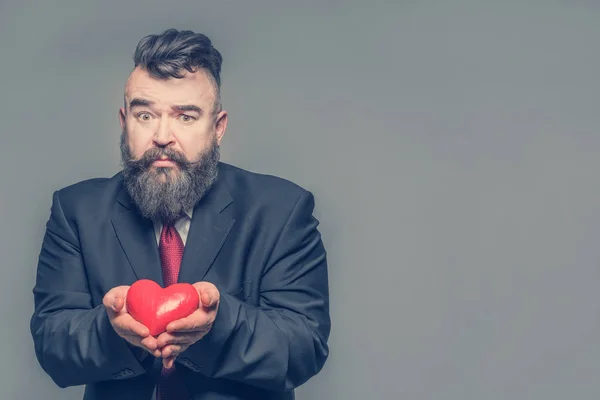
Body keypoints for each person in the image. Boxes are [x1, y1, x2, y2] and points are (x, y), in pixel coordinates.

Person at [29, 28, 330, 400]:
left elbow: (304, 349)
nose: (162, 136)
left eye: (185, 116)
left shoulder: (282, 209)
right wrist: (112, 330)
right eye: (145, 115)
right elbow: (51, 346)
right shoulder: (76, 210)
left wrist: (216, 327)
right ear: (124, 123)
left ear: (217, 128)